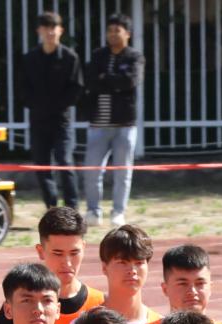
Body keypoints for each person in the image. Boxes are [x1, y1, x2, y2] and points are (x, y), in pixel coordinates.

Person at [0, 206, 101, 324]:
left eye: (74, 253)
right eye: (58, 253)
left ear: (84, 248)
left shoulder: (100, 305)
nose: (67, 263)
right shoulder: (19, 306)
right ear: (41, 251)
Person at [81, 15, 144, 225]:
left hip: (125, 124)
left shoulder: (134, 57)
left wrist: (105, 78)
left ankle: (118, 212)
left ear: (128, 34)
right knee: (92, 171)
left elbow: (130, 81)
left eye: (117, 30)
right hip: (98, 123)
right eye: (110, 30)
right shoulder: (98, 56)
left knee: (122, 172)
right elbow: (90, 81)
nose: (113, 35)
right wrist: (112, 81)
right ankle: (93, 211)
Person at [21, 12, 85, 210]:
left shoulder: (70, 58)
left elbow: (76, 88)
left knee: (65, 161)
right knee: (41, 165)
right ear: (39, 31)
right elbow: (23, 88)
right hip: (38, 119)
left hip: (61, 120)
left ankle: (72, 208)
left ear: (60, 31)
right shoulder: (30, 58)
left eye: (53, 28)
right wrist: (35, 105)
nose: (50, 32)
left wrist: (58, 105)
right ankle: (51, 206)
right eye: (46, 28)